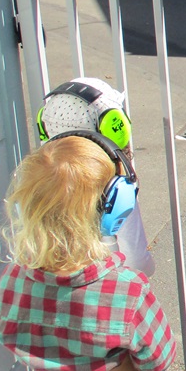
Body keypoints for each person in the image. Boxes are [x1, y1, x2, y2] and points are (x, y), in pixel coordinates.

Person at [0, 134, 176, 371]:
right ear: (113, 206)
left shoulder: (17, 276)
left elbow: (2, 327)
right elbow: (159, 357)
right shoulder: (127, 287)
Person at [36, 77, 155, 276]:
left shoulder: (35, 181)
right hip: (108, 295)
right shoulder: (115, 190)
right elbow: (138, 264)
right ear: (115, 129)